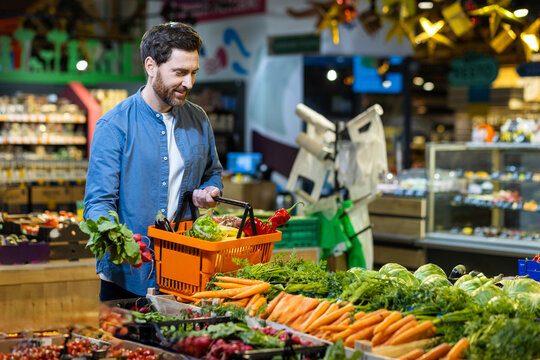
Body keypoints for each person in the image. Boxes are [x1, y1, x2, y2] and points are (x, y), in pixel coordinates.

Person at [83, 22, 223, 302]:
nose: (189, 83)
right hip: (127, 278)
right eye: (180, 73)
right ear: (151, 66)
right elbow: (99, 202)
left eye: (193, 72)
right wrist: (117, 239)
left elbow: (213, 173)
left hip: (184, 270)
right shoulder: (114, 125)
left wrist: (209, 192)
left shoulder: (198, 120)